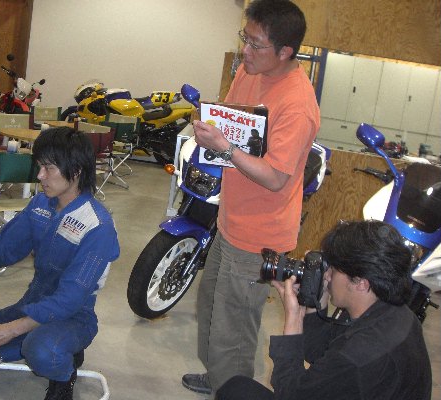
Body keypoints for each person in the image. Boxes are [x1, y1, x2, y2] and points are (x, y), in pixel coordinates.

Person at [182, 0, 320, 395]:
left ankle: (233, 388)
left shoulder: (297, 104)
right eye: (245, 38)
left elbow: (275, 177)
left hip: (260, 236)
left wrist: (224, 148)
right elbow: (232, 117)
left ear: (285, 51)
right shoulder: (249, 69)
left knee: (234, 329)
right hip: (231, 220)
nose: (245, 50)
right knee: (211, 309)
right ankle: (219, 378)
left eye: (256, 44)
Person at [0, 127, 119, 400]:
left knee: (41, 352)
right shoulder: (41, 204)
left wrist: (10, 330)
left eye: (49, 168)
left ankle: (64, 374)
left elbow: (70, 299)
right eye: (40, 166)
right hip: (33, 303)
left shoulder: (97, 226)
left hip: (74, 316)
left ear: (76, 170)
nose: (40, 175)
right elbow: (3, 249)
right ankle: (53, 343)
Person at [216, 220, 432, 400]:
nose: (326, 276)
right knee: (238, 389)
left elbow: (290, 394)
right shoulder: (392, 311)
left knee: (235, 392)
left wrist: (293, 322)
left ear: (361, 283)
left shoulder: (359, 356)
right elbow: (320, 352)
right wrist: (313, 302)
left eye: (334, 270)